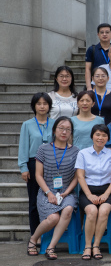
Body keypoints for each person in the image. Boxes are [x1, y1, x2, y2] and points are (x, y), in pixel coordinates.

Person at [27, 117, 79, 259]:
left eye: (68, 129)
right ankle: (33, 239)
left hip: (67, 192)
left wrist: (66, 192)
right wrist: (49, 193)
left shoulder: (75, 151)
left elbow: (77, 177)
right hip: (46, 191)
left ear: (71, 133)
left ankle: (51, 247)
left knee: (68, 209)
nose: (64, 132)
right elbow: (38, 175)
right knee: (53, 218)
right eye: (61, 128)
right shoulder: (43, 149)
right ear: (54, 130)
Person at [76, 124, 111, 260]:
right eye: (98, 134)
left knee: (104, 211)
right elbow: (80, 177)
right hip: (88, 190)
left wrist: (106, 194)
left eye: (104, 135)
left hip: (107, 190)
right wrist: (89, 195)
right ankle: (87, 246)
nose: (100, 138)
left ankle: (96, 245)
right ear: (92, 136)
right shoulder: (83, 153)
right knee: (92, 211)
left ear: (108, 138)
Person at [19, 93, 55, 238]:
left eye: (45, 103)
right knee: (34, 201)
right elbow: (23, 147)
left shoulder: (55, 123)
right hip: (33, 163)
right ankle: (36, 235)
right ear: (34, 106)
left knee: (52, 198)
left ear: (49, 106)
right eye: (39, 103)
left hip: (52, 164)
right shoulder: (27, 125)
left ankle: (51, 234)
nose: (42, 106)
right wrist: (23, 167)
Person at [85, 23, 111, 91]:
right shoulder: (92, 49)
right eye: (102, 32)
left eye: (107, 32)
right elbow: (88, 69)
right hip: (96, 85)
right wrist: (89, 87)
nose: (104, 34)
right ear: (98, 35)